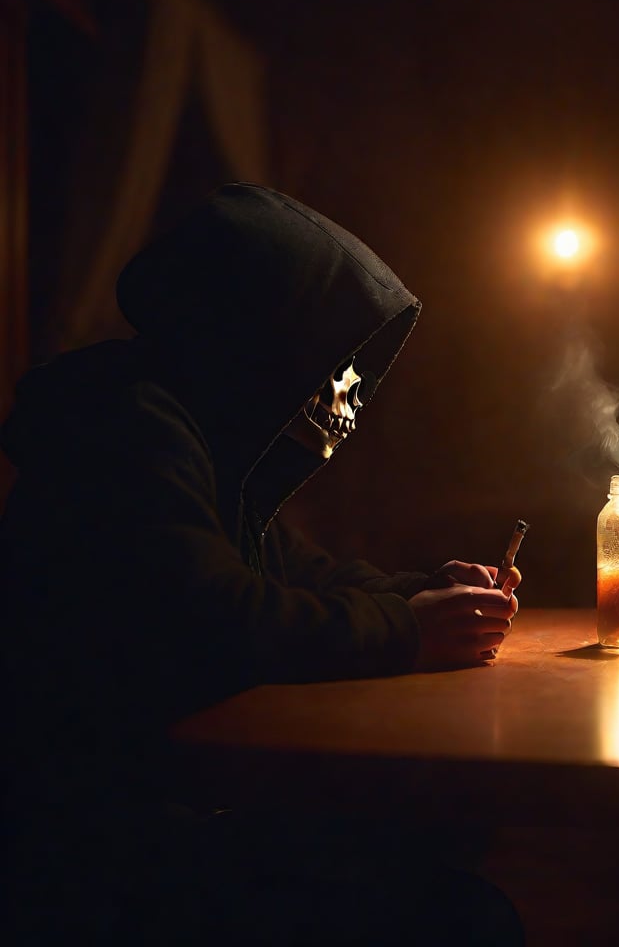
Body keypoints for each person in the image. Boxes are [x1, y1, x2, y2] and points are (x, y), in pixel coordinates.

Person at [1, 183, 524, 945]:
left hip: (157, 800)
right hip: (91, 846)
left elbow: (295, 574)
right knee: (463, 912)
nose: (341, 392)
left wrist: (426, 593)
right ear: (257, 333)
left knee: (439, 837)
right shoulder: (128, 426)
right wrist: (405, 629)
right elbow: (216, 616)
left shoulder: (193, 431)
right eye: (330, 358)